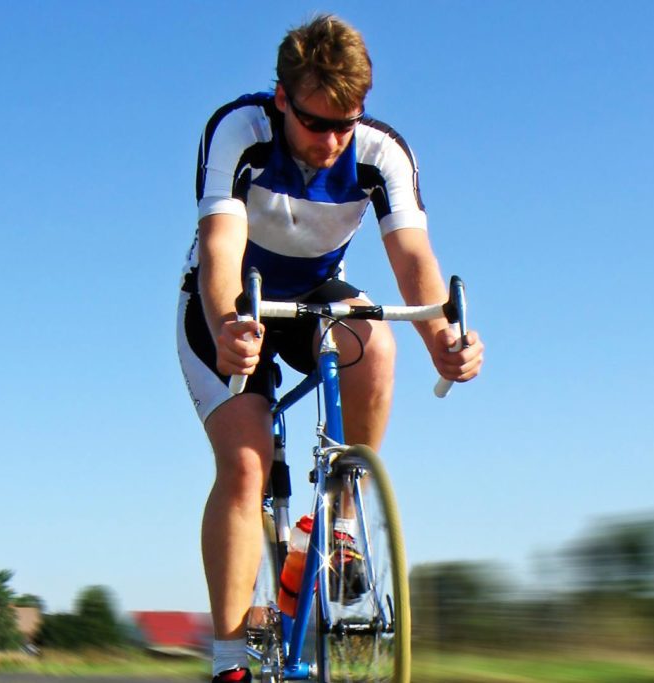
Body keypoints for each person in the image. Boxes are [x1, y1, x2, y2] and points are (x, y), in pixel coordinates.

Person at [176, 14, 485, 683]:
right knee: (248, 461)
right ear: (282, 99)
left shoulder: (381, 153)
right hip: (232, 298)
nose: (333, 141)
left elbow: (413, 260)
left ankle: (340, 514)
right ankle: (229, 659)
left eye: (347, 123)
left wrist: (445, 339)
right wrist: (230, 326)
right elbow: (222, 251)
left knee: (376, 341)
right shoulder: (239, 132)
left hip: (314, 290)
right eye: (317, 124)